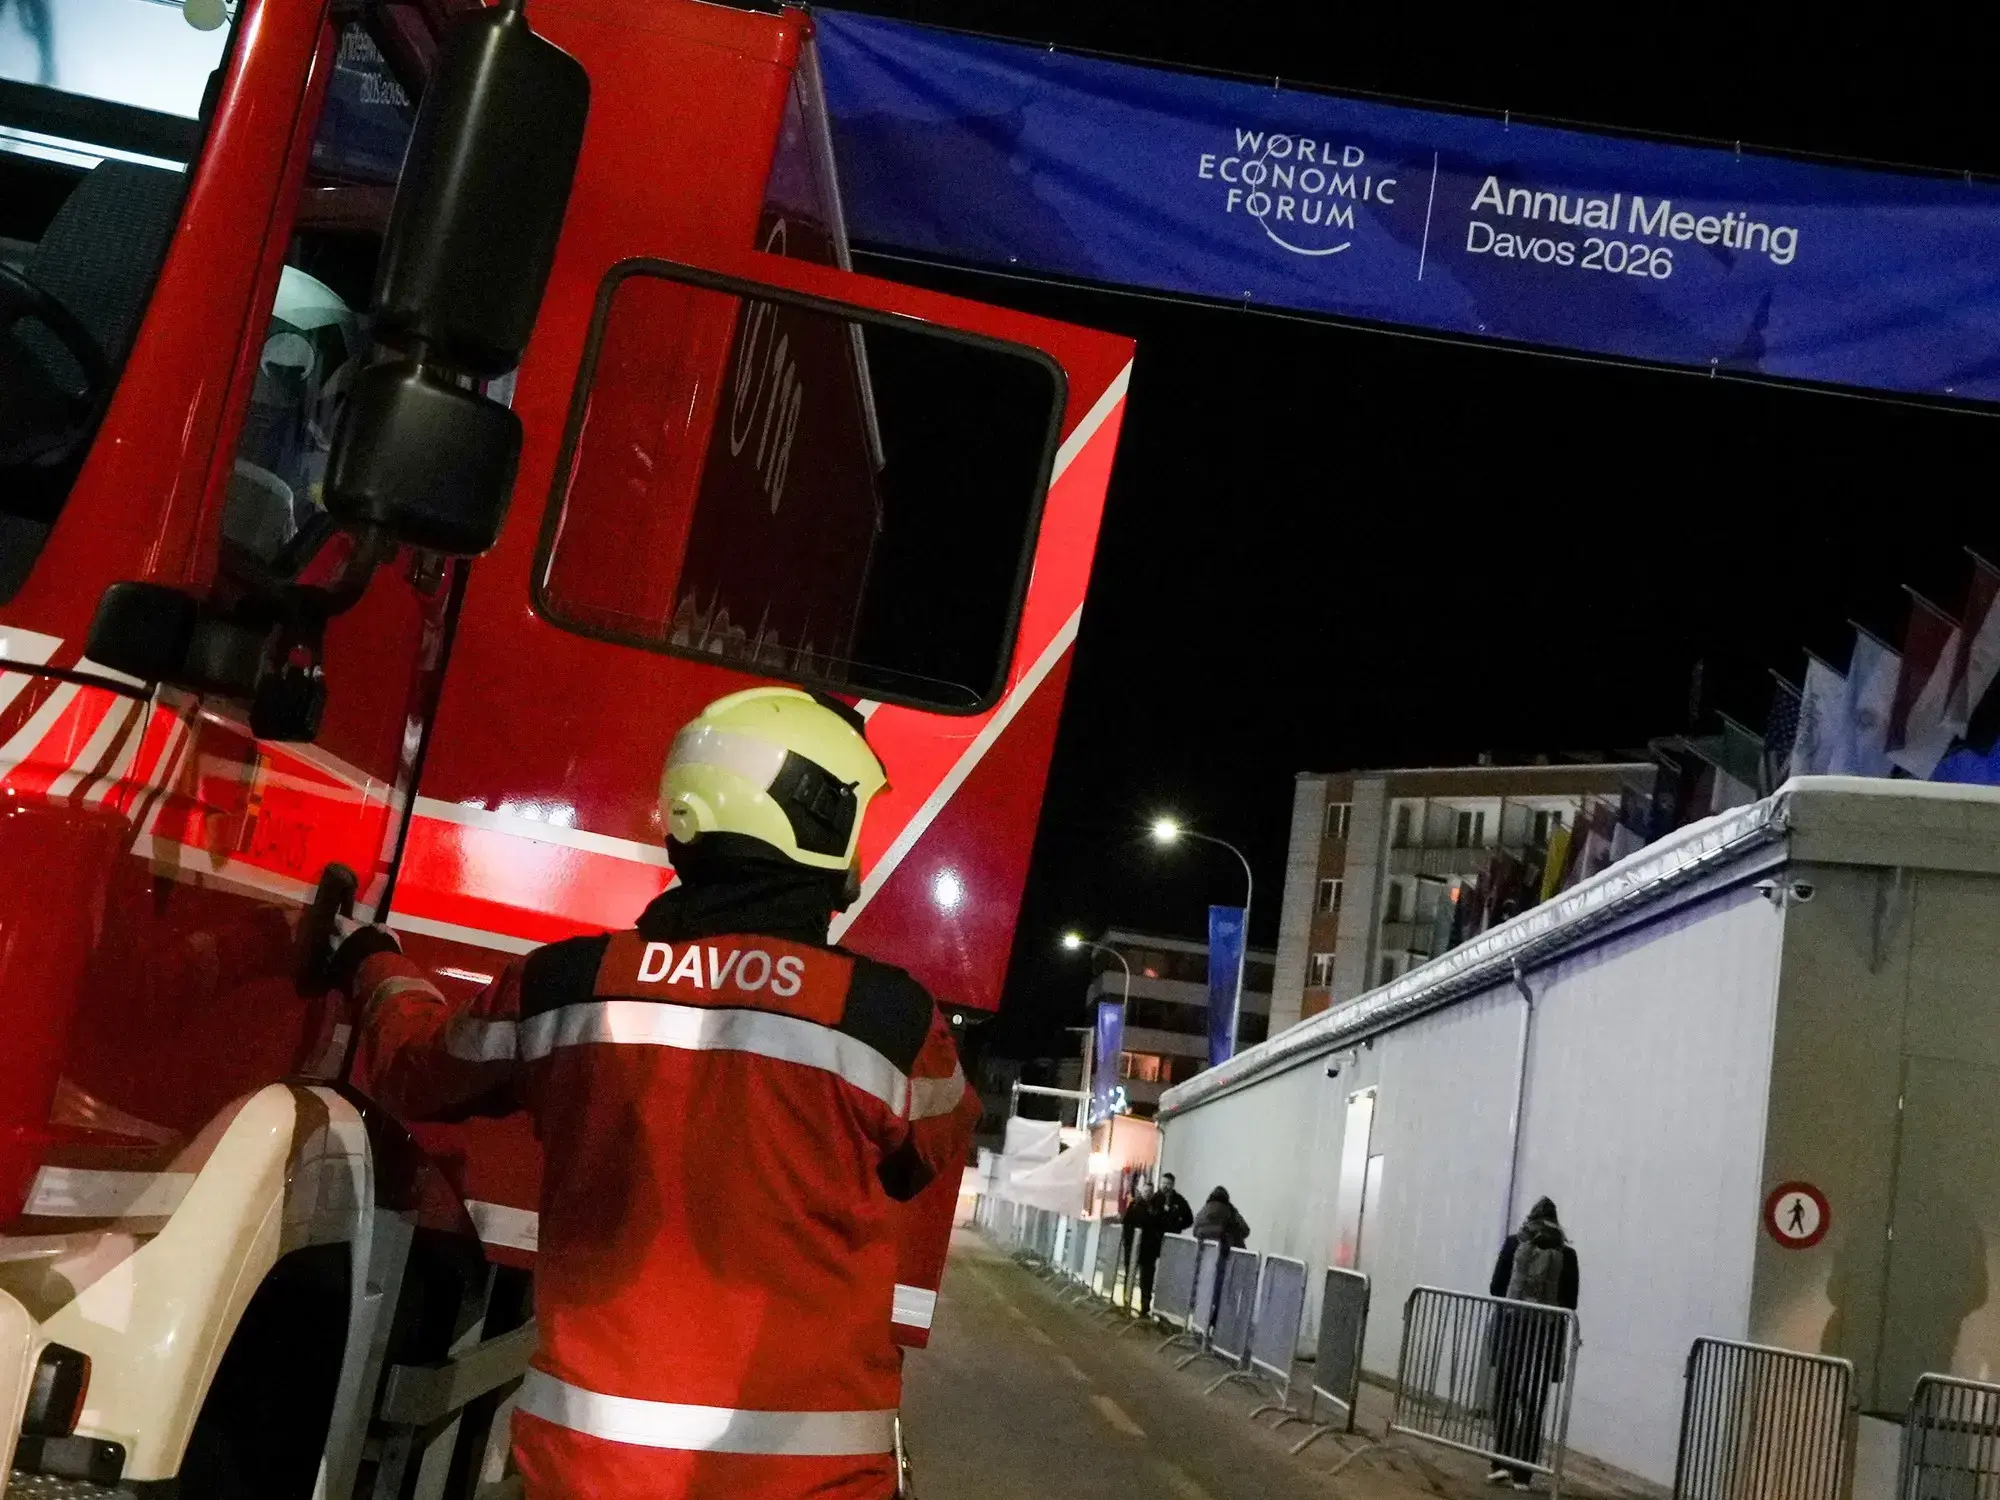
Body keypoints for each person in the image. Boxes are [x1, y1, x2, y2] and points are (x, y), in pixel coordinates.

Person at [332, 687, 980, 1500]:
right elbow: (931, 1154)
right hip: (812, 1485)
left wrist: (372, 963)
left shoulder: (567, 986)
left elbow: (416, 1070)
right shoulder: (889, 1019)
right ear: (819, 819)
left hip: (590, 1476)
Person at [1486, 1197, 1580, 1491]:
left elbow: (1495, 1287)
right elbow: (1570, 1302)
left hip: (1512, 1331)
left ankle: (1500, 1463)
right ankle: (1523, 1475)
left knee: (1505, 1395)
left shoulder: (1514, 1244)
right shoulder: (1568, 1255)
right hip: (1544, 1336)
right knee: (1534, 1403)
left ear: (1531, 1217)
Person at [1134, 1171, 1193, 1316]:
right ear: (1160, 1183)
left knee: (1167, 1275)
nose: (1166, 1186)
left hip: (1170, 1243)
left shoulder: (1179, 1201)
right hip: (1151, 1241)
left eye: (1169, 1184)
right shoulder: (1154, 1199)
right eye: (1164, 1183)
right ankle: (1145, 1304)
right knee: (1147, 1273)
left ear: (1173, 1185)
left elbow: (1189, 1219)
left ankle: (1163, 1309)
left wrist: (1178, 1225)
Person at [1192, 1185, 1251, 1326]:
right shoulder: (1229, 1210)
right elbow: (1245, 1230)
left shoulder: (1204, 1210)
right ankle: (1217, 1321)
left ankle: (1201, 1323)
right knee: (1223, 1290)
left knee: (1205, 1289)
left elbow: (1196, 1231)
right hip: (1226, 1256)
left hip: (1206, 1256)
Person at [1116, 1182, 1152, 1303]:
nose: (1148, 1194)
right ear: (1141, 1192)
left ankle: (1145, 1306)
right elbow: (1127, 1224)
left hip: (1147, 1248)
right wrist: (1128, 1242)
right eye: (1146, 1191)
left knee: (1146, 1279)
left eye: (1150, 1192)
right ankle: (1126, 1300)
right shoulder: (1134, 1205)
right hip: (1132, 1246)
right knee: (1130, 1273)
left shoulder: (1154, 1207)